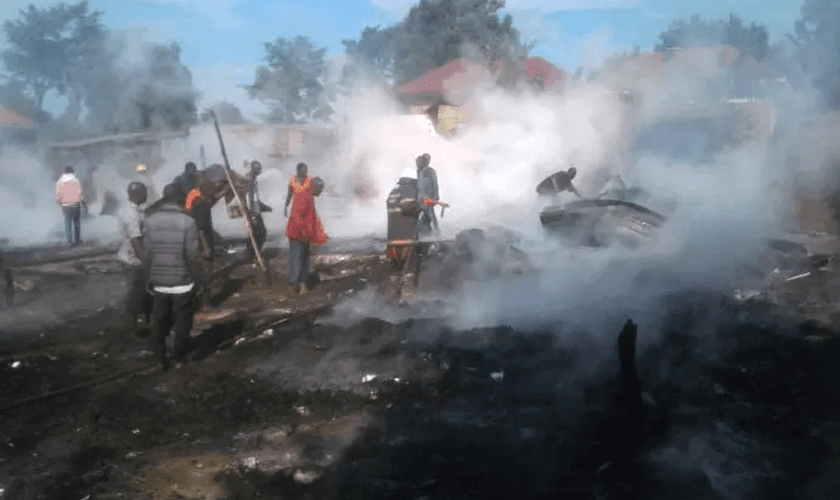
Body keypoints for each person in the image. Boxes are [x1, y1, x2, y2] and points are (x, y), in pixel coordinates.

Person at [144, 184, 205, 372]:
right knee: (182, 321)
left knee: (159, 320)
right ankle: (179, 357)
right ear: (179, 200)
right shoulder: (188, 222)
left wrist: (149, 278)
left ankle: (160, 359)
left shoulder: (150, 221)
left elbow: (148, 254)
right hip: (182, 283)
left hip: (159, 283)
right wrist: (200, 280)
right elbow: (193, 255)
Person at [284, 162, 327, 295]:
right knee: (297, 253)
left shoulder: (310, 181)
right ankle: (296, 283)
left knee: (303, 254)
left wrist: (318, 181)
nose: (305, 173)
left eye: (306, 171)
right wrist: (285, 207)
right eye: (303, 171)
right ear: (298, 171)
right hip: (296, 221)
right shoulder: (292, 182)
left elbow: (318, 189)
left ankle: (301, 283)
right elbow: (289, 195)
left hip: (307, 220)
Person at [117, 182, 153, 336]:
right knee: (135, 295)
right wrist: (146, 263)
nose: (147, 195)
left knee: (145, 294)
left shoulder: (137, 211)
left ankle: (149, 324)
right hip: (133, 260)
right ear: (136, 194)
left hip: (135, 258)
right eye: (144, 192)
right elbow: (136, 241)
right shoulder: (131, 214)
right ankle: (130, 329)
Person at [55, 166, 85, 246]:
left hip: (65, 206)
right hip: (75, 205)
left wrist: (60, 204)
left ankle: (69, 241)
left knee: (67, 224)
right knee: (76, 224)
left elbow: (58, 196)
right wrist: (83, 203)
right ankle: (77, 240)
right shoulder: (76, 181)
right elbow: (80, 194)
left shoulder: (60, 182)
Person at [415, 153, 440, 236]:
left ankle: (436, 232)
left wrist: (435, 197)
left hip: (428, 197)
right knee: (420, 215)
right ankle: (422, 233)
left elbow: (435, 184)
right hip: (420, 198)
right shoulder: (418, 172)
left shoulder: (430, 172)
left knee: (430, 214)